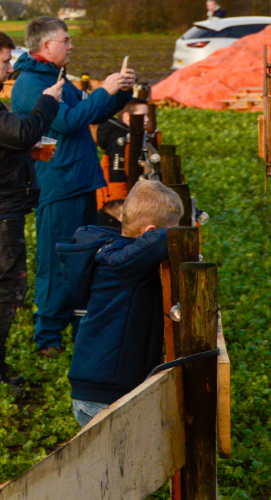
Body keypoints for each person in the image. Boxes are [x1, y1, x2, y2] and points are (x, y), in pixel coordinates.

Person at [11, 17, 135, 357]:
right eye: (65, 40)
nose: (71, 45)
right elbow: (67, 121)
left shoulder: (57, 78)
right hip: (58, 184)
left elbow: (91, 113)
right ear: (46, 45)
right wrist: (104, 90)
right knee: (56, 262)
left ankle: (80, 326)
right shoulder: (30, 84)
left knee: (84, 259)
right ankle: (48, 336)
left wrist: (120, 92)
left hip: (79, 181)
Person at [0, 29, 63, 388]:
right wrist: (47, 102)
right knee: (8, 287)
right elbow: (21, 133)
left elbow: (2, 142)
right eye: (5, 61)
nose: (10, 69)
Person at [58, 180, 184, 427]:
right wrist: (182, 236)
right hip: (107, 394)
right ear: (149, 231)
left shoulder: (119, 255)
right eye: (175, 227)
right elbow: (161, 239)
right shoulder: (123, 263)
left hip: (98, 385)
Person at [95, 98, 149, 229]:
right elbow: (116, 175)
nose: (147, 119)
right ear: (127, 117)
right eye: (142, 115)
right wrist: (121, 207)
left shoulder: (129, 137)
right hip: (111, 205)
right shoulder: (120, 140)